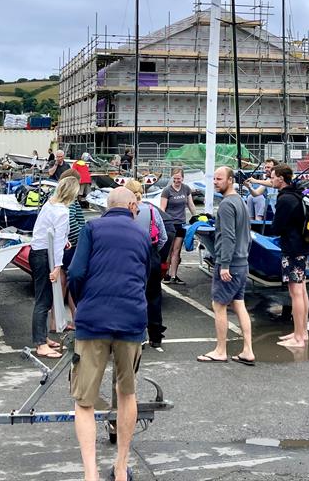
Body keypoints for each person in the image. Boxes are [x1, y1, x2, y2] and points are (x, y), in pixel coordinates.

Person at [67, 187, 150, 481]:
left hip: (93, 321)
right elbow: (146, 276)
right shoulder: (141, 234)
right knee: (127, 393)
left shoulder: (92, 228)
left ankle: (90, 474)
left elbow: (75, 272)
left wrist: (84, 301)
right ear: (130, 206)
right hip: (131, 321)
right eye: (136, 205)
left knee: (84, 400)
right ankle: (120, 466)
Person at [197, 167, 254, 365]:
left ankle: (221, 350)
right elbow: (247, 234)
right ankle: (247, 350)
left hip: (230, 263)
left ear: (230, 180)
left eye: (219, 179)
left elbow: (228, 236)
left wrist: (224, 265)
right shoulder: (241, 201)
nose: (215, 182)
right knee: (239, 304)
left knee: (219, 305)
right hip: (242, 262)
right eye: (214, 178)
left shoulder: (227, 205)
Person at [28, 176, 80, 359]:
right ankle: (40, 344)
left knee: (45, 298)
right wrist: (57, 267)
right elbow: (56, 241)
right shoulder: (63, 212)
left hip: (37, 251)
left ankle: (43, 337)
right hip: (45, 256)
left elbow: (45, 229)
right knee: (43, 300)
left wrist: (64, 240)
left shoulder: (50, 204)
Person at [269, 164, 309, 349]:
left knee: (295, 293)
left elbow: (276, 227)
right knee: (301, 290)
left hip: (292, 248)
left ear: (280, 178)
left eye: (272, 177)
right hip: (303, 246)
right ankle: (302, 332)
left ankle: (299, 338)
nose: (270, 180)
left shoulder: (285, 199)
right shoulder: (297, 194)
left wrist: (273, 227)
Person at [125, 179, 168, 350]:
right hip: (151, 255)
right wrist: (154, 251)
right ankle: (156, 335)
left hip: (133, 255)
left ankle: (138, 335)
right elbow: (163, 237)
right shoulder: (152, 210)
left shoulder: (128, 212)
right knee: (154, 297)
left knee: (134, 297)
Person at [57, 169, 86, 328]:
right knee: (72, 283)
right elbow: (73, 224)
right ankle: (76, 319)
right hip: (72, 246)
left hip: (63, 246)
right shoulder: (72, 201)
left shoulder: (57, 199)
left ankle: (58, 320)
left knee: (61, 284)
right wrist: (84, 238)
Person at [160, 167, 197, 285]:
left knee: (177, 251)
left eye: (179, 178)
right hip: (170, 224)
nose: (176, 181)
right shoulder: (167, 191)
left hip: (181, 223)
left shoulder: (186, 189)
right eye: (174, 178)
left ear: (183, 178)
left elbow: (190, 204)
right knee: (169, 250)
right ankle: (164, 274)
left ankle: (173, 275)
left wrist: (196, 216)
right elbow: (162, 209)